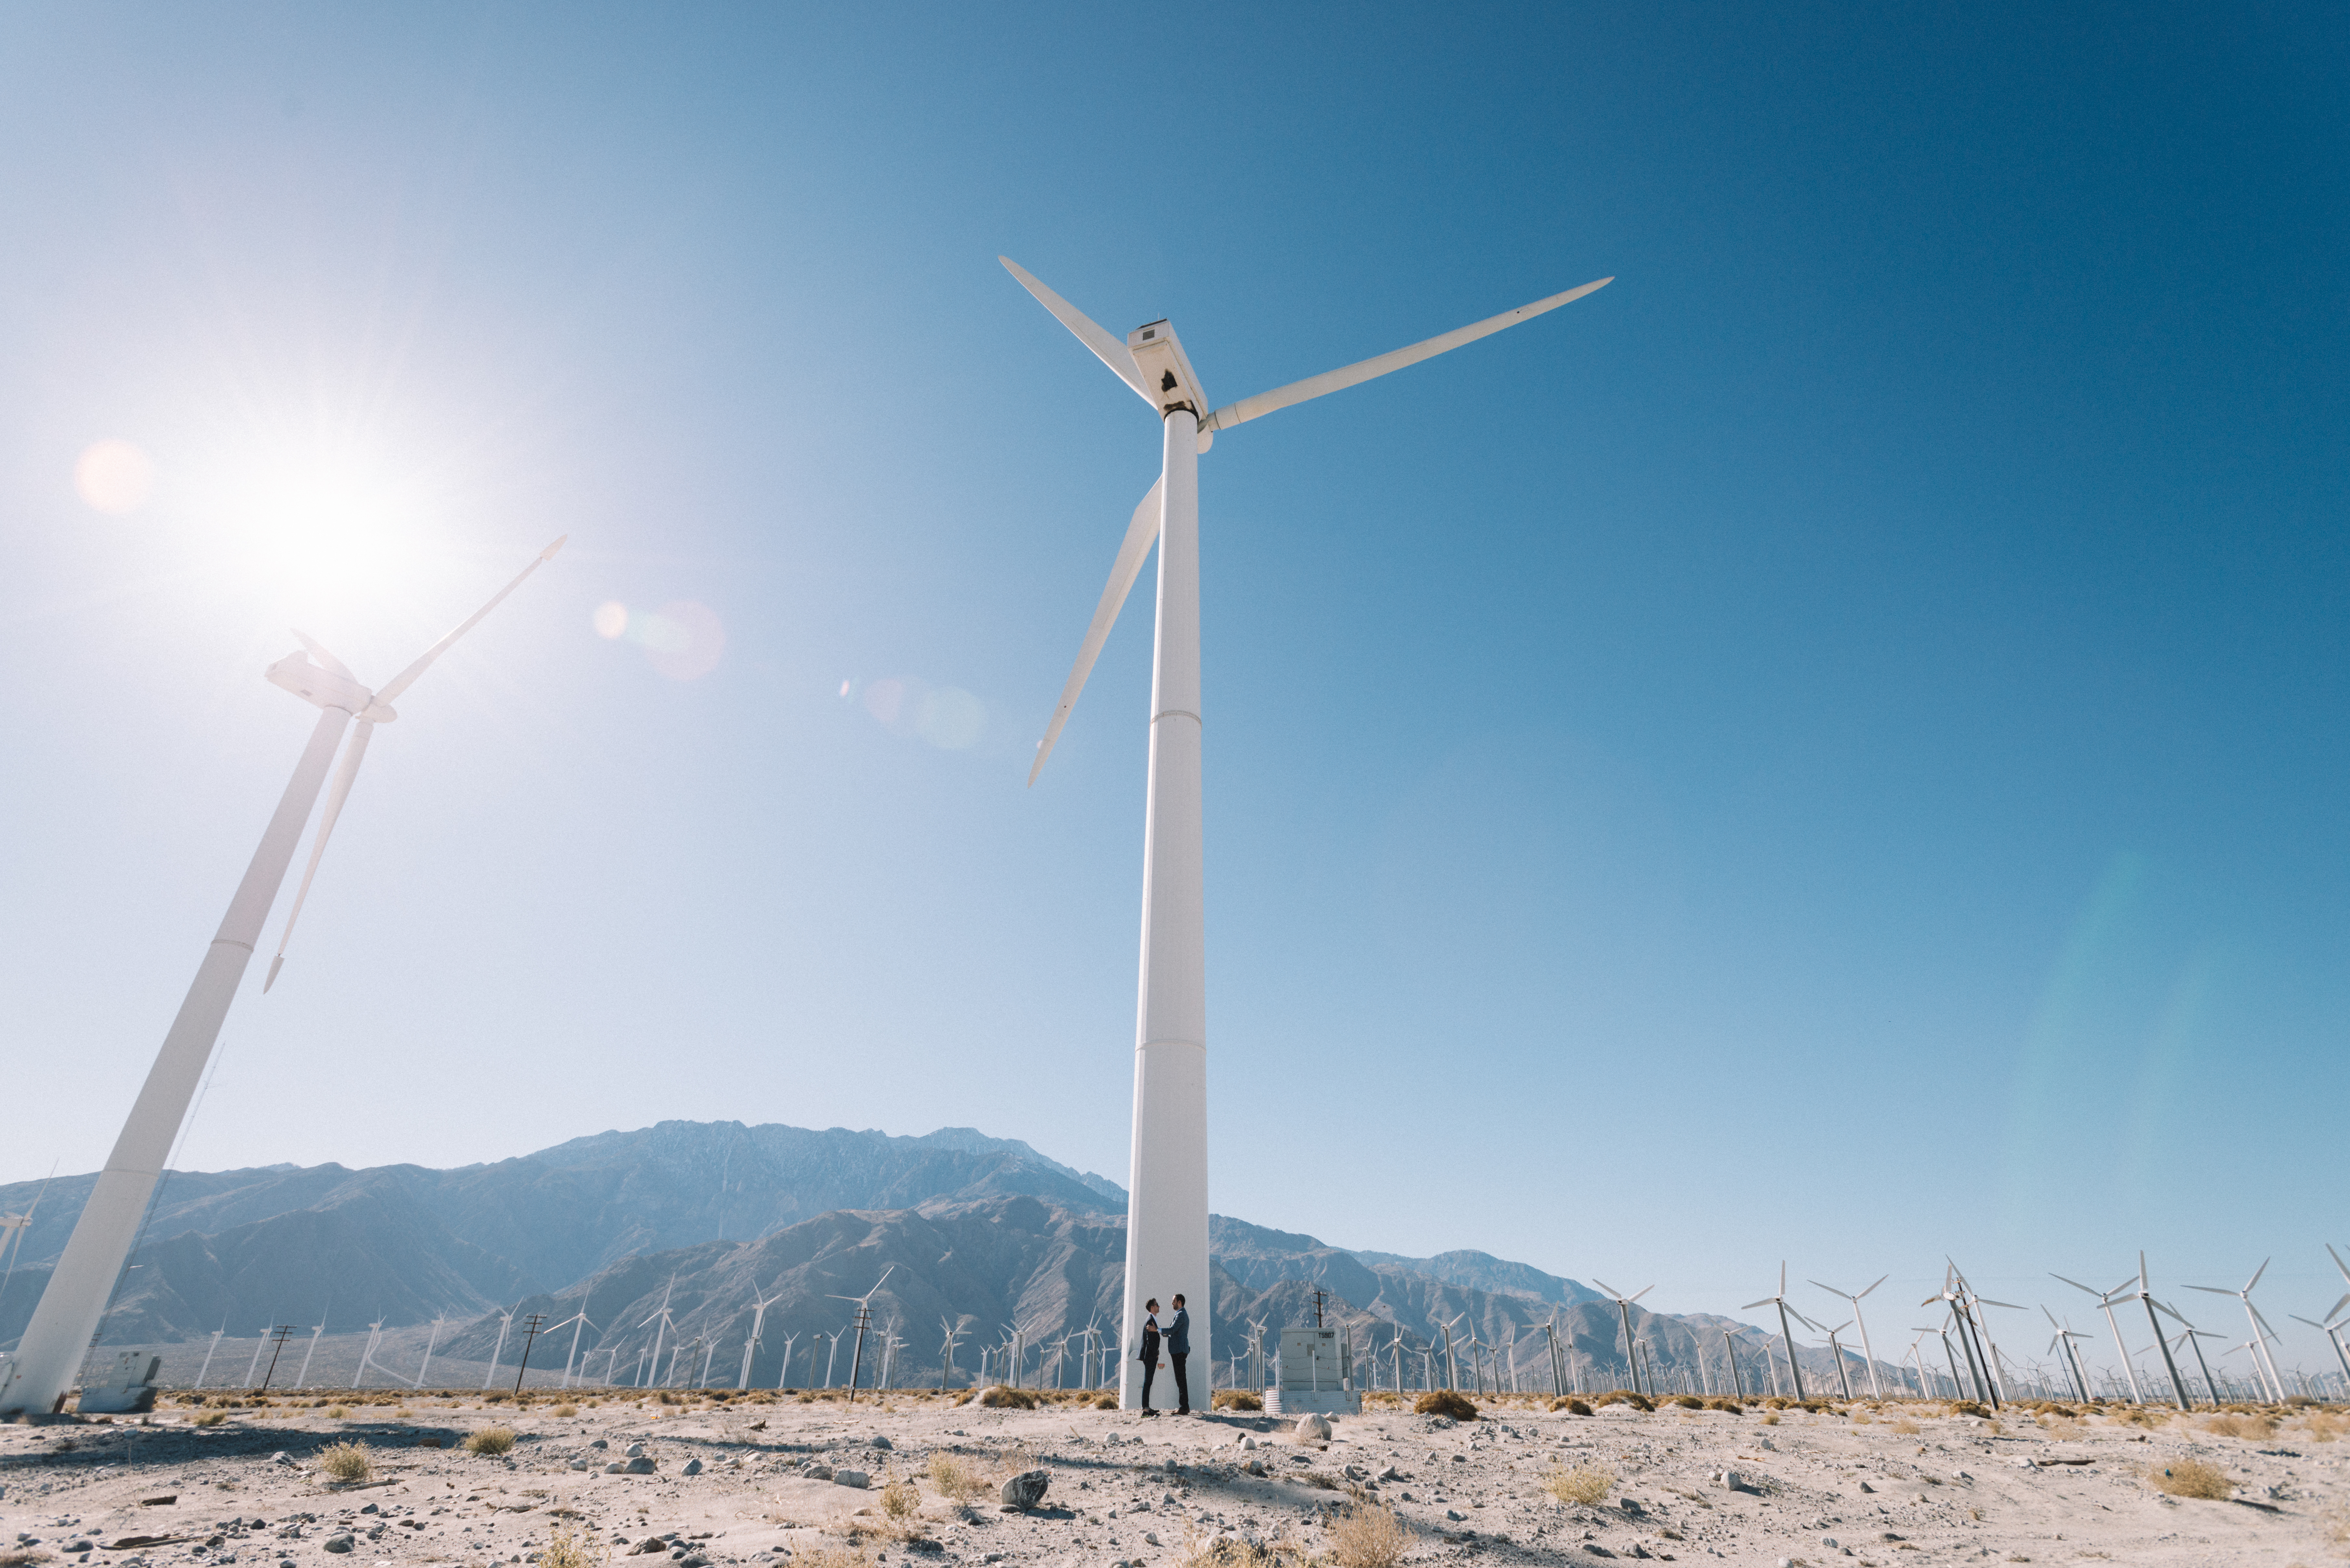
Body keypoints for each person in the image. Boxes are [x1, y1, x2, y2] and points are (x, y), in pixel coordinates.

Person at [1167, 1293, 1193, 1414]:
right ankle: (1184, 1406)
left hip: (1179, 1350)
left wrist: (1159, 1330)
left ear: (1180, 1302)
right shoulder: (1180, 1314)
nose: (1172, 1303)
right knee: (1180, 1379)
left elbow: (1173, 1330)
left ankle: (1184, 1407)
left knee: (1181, 1379)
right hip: (1179, 1350)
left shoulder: (1181, 1315)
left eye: (1174, 1301)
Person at [1137, 1298, 1162, 1416]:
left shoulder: (1152, 1320)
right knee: (1148, 1382)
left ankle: (1147, 1407)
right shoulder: (1150, 1321)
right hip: (1150, 1356)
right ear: (1152, 1308)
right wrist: (1156, 1353)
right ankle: (1145, 1409)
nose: (1159, 1307)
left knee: (1149, 1382)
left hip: (1150, 1355)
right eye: (1157, 1305)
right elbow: (1151, 1341)